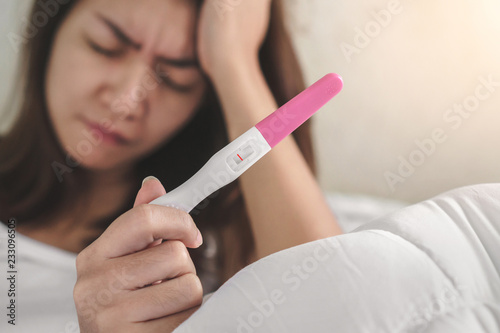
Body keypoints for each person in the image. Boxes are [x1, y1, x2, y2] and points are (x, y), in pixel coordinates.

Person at [0, 0, 342, 331]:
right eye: (105, 46)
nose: (126, 102)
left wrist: (234, 63)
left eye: (176, 76)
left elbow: (345, 312)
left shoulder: (220, 250)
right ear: (51, 28)